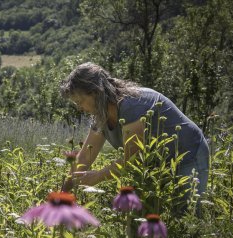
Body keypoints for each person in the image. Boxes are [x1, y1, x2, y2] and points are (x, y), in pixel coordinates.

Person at [60, 62, 209, 210]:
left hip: (188, 154)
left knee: (188, 215)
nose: (79, 108)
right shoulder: (101, 115)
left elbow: (133, 159)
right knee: (155, 214)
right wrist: (62, 196)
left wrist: (96, 177)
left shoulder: (131, 105)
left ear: (96, 92)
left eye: (80, 101)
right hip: (158, 164)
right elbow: (85, 157)